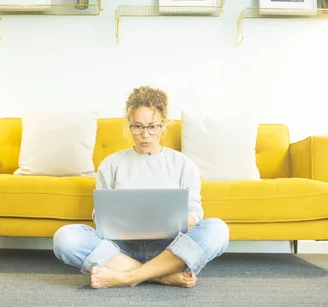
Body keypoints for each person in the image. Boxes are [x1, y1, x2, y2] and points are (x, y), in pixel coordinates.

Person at [53, 86, 230, 288]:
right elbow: (100, 217)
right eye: (137, 126)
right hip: (120, 249)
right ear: (129, 124)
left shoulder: (182, 164)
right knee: (65, 238)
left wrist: (170, 220)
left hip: (169, 248)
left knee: (217, 229)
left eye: (152, 126)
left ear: (163, 124)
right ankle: (160, 276)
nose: (145, 135)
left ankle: (128, 276)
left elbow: (195, 215)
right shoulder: (111, 164)